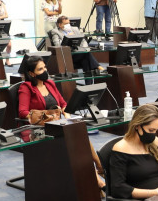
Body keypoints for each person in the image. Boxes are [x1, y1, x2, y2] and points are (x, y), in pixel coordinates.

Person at [19, 56, 105, 188]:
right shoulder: (26, 87)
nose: (45, 71)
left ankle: (97, 169)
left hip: (58, 124)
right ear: (31, 73)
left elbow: (63, 104)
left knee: (78, 131)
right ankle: (99, 172)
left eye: (45, 67)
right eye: (40, 69)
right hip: (39, 129)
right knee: (75, 138)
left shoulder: (50, 84)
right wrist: (48, 114)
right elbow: (22, 112)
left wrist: (69, 117)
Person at [109, 104, 158, 201]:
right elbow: (118, 188)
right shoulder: (121, 149)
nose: (154, 135)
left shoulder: (154, 142)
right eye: (151, 130)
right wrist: (153, 193)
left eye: (156, 130)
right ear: (137, 126)